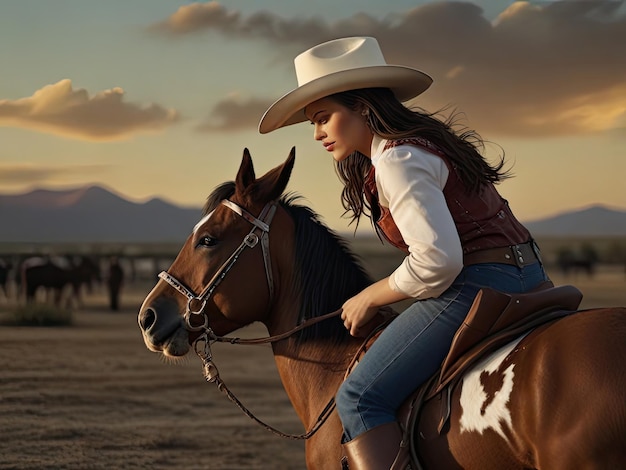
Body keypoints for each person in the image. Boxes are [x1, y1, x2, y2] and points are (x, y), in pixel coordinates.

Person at [259, 36, 549, 469]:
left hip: (477, 285)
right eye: (312, 124)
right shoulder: (424, 145)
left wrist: (368, 296)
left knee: (358, 398)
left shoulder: (397, 159)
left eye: (324, 118)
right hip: (530, 275)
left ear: (361, 106)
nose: (317, 133)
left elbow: (439, 260)